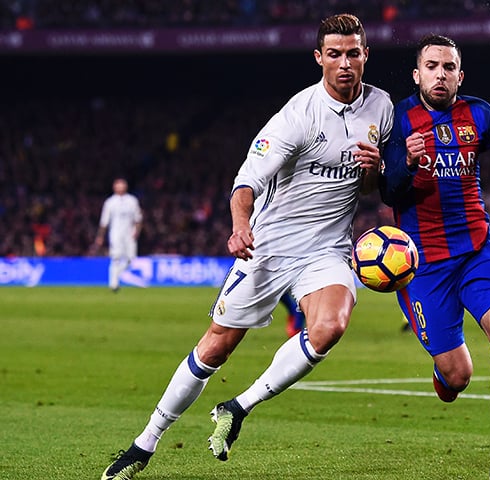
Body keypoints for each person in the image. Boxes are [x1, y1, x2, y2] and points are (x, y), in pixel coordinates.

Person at [101, 13, 393, 479]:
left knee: (330, 327)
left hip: (328, 250)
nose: (344, 64)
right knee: (216, 348)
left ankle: (237, 407)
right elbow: (245, 182)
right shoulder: (297, 115)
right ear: (319, 58)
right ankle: (145, 443)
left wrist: (376, 170)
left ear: (365, 56)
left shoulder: (381, 107)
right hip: (269, 247)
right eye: (334, 54)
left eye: (352, 53)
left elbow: (372, 188)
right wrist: (240, 227)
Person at [380, 34, 490, 480]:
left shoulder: (477, 112)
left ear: (460, 74)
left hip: (477, 250)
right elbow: (389, 189)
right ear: (417, 74)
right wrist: (408, 163)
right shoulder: (398, 118)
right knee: (457, 377)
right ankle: (444, 372)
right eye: (432, 66)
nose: (441, 74)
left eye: (449, 67)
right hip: (423, 265)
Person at [94, 178, 143, 292]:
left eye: (122, 185)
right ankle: (113, 284)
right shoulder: (110, 202)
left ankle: (116, 275)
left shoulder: (132, 200)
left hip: (129, 234)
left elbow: (138, 218)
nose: (120, 188)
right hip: (115, 233)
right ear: (114, 187)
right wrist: (100, 236)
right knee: (115, 257)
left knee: (131, 258)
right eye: (118, 186)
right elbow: (104, 222)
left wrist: (137, 231)